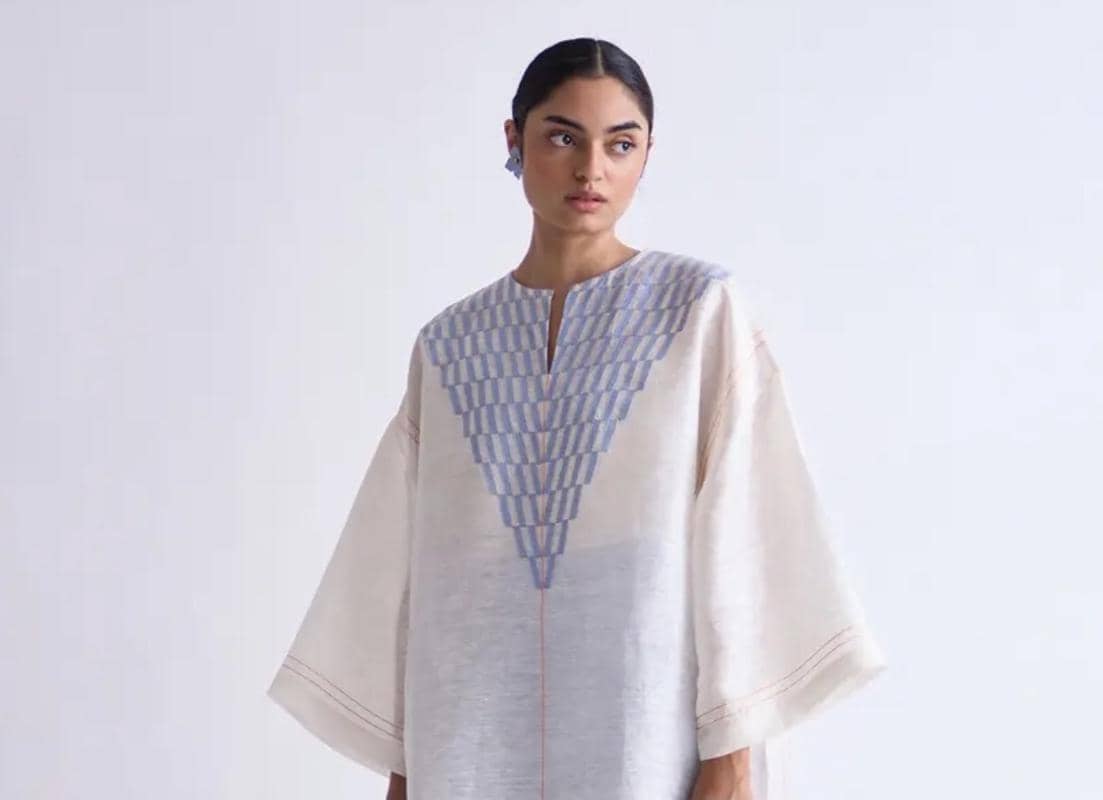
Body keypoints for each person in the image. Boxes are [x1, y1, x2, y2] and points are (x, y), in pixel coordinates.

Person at [266, 37, 887, 800]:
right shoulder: (450, 345)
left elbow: (749, 534)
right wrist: (405, 771)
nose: (592, 169)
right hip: (469, 731)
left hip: (644, 724)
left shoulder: (697, 312)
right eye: (563, 138)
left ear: (647, 154)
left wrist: (730, 759)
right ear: (514, 139)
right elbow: (410, 574)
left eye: (620, 144)